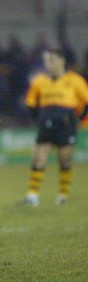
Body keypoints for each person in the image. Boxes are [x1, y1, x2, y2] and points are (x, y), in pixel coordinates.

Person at [24, 48, 88, 207]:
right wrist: (37, 120)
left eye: (51, 60)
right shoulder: (39, 80)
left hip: (66, 125)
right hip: (46, 124)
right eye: (47, 61)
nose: (48, 64)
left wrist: (79, 120)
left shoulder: (75, 80)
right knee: (38, 158)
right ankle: (32, 196)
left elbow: (86, 102)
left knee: (64, 160)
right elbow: (30, 103)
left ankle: (63, 195)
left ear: (61, 61)